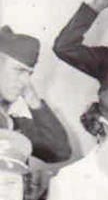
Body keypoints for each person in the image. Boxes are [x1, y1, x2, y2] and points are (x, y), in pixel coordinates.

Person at [0, 25, 71, 163]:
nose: (26, 81)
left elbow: (60, 151)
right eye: (19, 70)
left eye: (29, 74)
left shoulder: (9, 122)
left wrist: (33, 100)